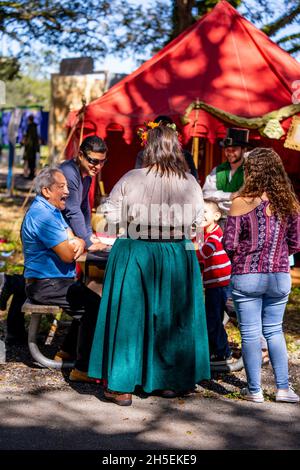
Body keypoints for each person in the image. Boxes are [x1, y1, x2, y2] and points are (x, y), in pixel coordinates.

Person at [88, 125, 210, 406]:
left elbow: (109, 216)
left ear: (148, 148)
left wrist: (132, 224)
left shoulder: (132, 178)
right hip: (176, 252)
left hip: (136, 250)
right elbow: (198, 223)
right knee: (171, 316)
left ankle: (122, 386)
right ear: (176, 148)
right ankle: (168, 381)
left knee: (131, 317)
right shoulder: (189, 181)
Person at [223, 148, 300, 403]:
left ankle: (255, 390)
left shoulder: (240, 202)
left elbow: (229, 243)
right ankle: (283, 388)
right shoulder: (290, 203)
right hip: (279, 275)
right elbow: (296, 243)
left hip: (247, 274)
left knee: (250, 333)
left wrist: (244, 256)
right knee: (275, 331)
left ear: (251, 171)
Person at [21, 167, 101, 382]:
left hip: (55, 280)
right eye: (62, 187)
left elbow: (74, 238)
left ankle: (67, 351)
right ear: (47, 191)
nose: (67, 191)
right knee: (93, 306)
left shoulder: (52, 210)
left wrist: (81, 241)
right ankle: (82, 369)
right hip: (45, 284)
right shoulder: (42, 215)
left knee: (92, 298)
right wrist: (77, 243)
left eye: (67, 186)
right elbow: (68, 254)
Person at [196, 200, 232, 365]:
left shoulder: (216, 233)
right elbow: (193, 244)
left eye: (205, 211)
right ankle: (217, 348)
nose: (201, 215)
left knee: (213, 318)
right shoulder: (202, 231)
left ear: (216, 216)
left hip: (220, 281)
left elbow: (204, 253)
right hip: (213, 281)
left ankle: (222, 351)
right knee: (214, 317)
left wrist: (186, 252)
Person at [59, 135, 109, 251]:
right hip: (53, 230)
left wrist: (89, 234)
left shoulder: (87, 176)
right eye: (94, 161)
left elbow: (84, 207)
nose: (98, 167)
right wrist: (88, 242)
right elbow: (73, 210)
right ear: (81, 155)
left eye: (102, 162)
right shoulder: (69, 172)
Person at [202, 127, 249, 217]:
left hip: (243, 218)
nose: (230, 153)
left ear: (243, 150)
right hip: (221, 218)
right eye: (227, 149)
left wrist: (218, 197)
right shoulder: (217, 170)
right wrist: (229, 195)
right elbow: (206, 193)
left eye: (234, 149)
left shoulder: (251, 170)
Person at [135, 115, 199, 180]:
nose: (164, 134)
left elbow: (194, 178)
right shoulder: (143, 154)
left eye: (166, 131)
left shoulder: (185, 155)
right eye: (160, 130)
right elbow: (138, 178)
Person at [23, 115, 40, 180]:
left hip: (30, 148)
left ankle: (31, 174)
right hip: (33, 148)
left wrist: (26, 143)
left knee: (31, 161)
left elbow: (30, 138)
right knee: (32, 161)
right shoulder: (34, 127)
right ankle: (31, 174)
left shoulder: (31, 127)